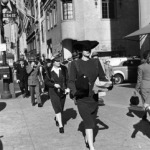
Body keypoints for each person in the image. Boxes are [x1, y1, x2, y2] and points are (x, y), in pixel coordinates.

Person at [68, 41, 108, 150]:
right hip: (82, 98)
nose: (88, 51)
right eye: (85, 49)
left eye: (89, 49)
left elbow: (103, 78)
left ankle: (87, 139)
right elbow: (71, 81)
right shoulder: (75, 64)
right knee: (89, 123)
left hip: (94, 97)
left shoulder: (96, 62)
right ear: (81, 50)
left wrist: (108, 85)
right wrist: (75, 92)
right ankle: (91, 146)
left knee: (91, 123)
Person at [44, 54, 70, 134]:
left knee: (61, 108)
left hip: (62, 91)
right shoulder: (49, 71)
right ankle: (61, 126)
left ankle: (57, 118)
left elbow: (67, 79)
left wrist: (68, 88)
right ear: (53, 62)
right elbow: (46, 82)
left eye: (59, 61)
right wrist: (54, 85)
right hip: (53, 91)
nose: (59, 62)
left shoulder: (64, 69)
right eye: (57, 61)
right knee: (57, 107)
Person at [135, 50, 150, 120]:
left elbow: (139, 79)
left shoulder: (141, 67)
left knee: (145, 102)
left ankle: (145, 115)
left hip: (144, 87)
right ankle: (145, 115)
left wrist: (136, 88)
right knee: (147, 102)